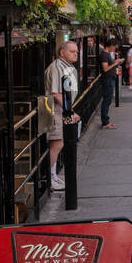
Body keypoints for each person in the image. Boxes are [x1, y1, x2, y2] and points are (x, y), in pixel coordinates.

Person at [45, 39, 79, 192]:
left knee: (59, 144)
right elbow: (56, 93)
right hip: (54, 111)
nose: (76, 54)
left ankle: (52, 175)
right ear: (62, 52)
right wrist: (70, 111)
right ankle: (49, 179)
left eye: (76, 51)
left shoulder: (66, 66)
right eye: (72, 51)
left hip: (60, 110)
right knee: (57, 144)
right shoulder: (57, 67)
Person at [98, 39, 122, 129]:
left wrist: (116, 62)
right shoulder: (104, 54)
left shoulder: (107, 54)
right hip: (107, 80)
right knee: (107, 100)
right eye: (114, 46)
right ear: (111, 45)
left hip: (110, 79)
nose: (114, 48)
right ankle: (105, 122)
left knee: (108, 100)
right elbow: (105, 68)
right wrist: (115, 63)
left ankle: (106, 121)